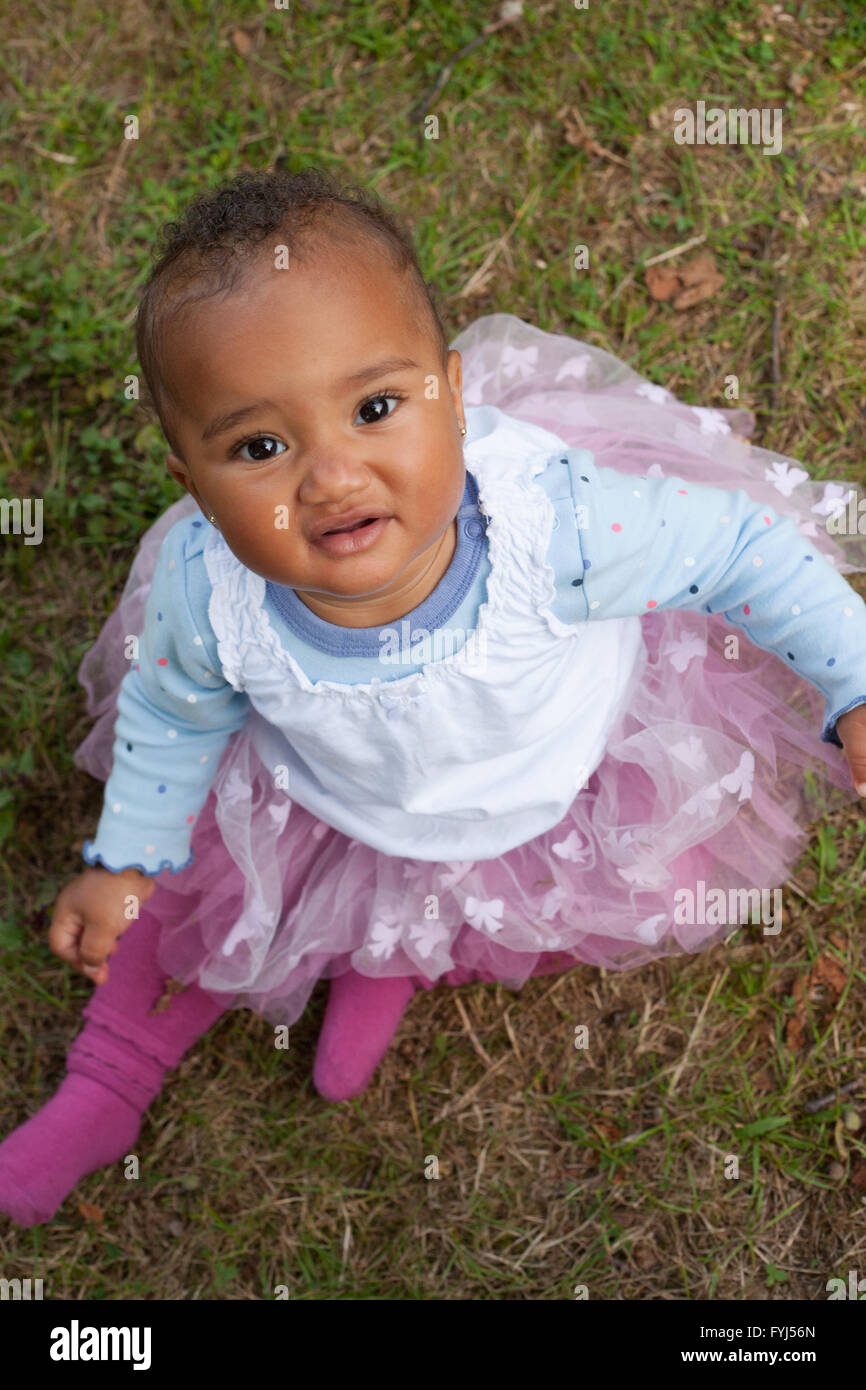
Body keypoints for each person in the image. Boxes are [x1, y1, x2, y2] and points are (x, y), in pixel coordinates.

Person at [3, 166, 866, 1228]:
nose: (330, 474)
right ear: (191, 478)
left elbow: (739, 548)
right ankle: (106, 1083)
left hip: (528, 786)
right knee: (196, 904)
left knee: (479, 896)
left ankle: (394, 959)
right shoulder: (207, 588)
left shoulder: (557, 532)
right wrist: (128, 859)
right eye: (259, 447)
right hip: (326, 793)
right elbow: (175, 718)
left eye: (374, 408)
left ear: (450, 395)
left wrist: (852, 678)